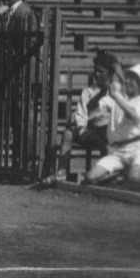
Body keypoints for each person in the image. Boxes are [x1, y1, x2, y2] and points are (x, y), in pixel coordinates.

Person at [47, 51, 120, 183]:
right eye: (95, 70)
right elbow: (81, 113)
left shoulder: (116, 92)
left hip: (109, 132)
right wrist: (81, 128)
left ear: (109, 73)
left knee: (107, 141)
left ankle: (108, 176)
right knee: (68, 133)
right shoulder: (88, 91)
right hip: (91, 130)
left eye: (101, 71)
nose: (96, 74)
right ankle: (62, 170)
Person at [84, 64, 140, 187]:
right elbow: (92, 107)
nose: (128, 81)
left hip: (137, 150)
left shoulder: (123, 98)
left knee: (134, 179)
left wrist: (115, 96)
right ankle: (120, 177)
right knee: (90, 177)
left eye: (133, 79)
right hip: (116, 151)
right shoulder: (118, 97)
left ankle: (125, 178)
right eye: (128, 78)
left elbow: (133, 115)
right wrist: (103, 92)